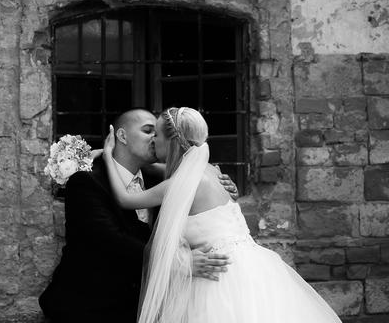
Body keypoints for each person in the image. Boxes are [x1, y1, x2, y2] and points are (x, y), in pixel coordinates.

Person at [102, 107, 341, 323]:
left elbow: (125, 199)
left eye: (157, 135)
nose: (153, 140)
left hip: (218, 278)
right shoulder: (211, 171)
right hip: (252, 268)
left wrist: (108, 155)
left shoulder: (181, 184)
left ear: (172, 141)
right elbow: (154, 166)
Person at [39, 109, 238, 323]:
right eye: (148, 131)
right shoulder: (87, 181)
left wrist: (223, 188)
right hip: (92, 305)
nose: (155, 138)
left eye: (157, 133)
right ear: (122, 136)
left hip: (145, 304)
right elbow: (110, 240)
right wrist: (177, 263)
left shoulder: (165, 179)